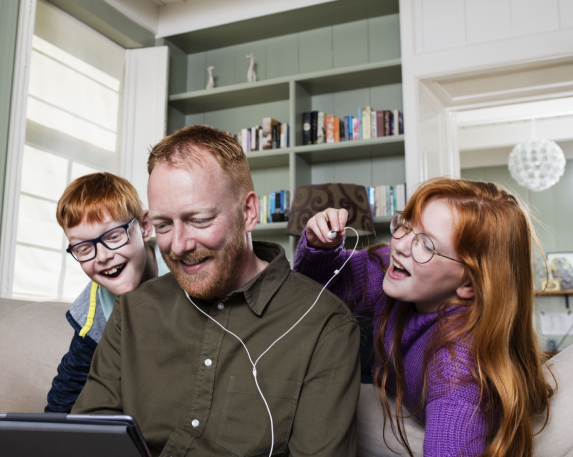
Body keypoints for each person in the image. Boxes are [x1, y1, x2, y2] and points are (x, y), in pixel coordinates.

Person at [72, 125, 361, 457]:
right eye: (164, 225)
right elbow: (89, 439)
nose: (178, 246)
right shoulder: (131, 313)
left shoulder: (325, 325)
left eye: (200, 220)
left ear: (249, 212)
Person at [294, 177, 555, 457]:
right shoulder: (394, 268)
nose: (401, 245)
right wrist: (319, 248)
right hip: (401, 398)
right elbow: (314, 294)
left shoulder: (456, 369)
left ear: (468, 285)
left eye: (427, 246)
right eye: (406, 225)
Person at [45, 172, 170, 413]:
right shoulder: (93, 311)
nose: (103, 257)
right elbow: (68, 390)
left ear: (145, 227)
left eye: (114, 236)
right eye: (83, 248)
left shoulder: (185, 272)